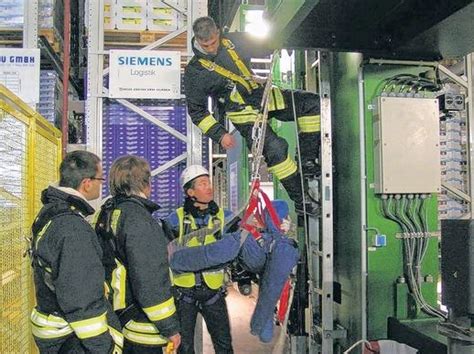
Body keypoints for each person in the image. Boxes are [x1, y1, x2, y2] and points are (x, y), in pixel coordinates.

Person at [184, 16, 320, 214]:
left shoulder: (234, 41)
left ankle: (307, 161)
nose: (211, 48)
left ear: (218, 34)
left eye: (214, 42)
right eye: (206, 45)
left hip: (262, 96)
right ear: (197, 40)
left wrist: (285, 42)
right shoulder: (194, 72)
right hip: (242, 112)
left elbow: (265, 44)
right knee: (275, 148)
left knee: (311, 104)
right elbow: (197, 111)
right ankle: (302, 201)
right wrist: (219, 134)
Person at [29, 150, 123, 353]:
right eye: (100, 179)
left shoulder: (52, 212)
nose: (102, 184)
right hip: (70, 337)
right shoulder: (73, 228)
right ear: (87, 183)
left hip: (52, 325)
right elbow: (82, 302)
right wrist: (105, 348)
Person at [94, 155, 181, 353]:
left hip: (119, 318)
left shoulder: (108, 213)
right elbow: (150, 280)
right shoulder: (140, 220)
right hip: (144, 329)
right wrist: (170, 327)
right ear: (145, 183)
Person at [165, 165, 237, 354]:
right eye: (203, 184)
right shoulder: (175, 220)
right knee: (184, 347)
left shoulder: (225, 217)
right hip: (184, 294)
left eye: (209, 182)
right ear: (190, 192)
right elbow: (163, 253)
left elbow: (242, 239)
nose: (209, 187)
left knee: (224, 345)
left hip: (213, 293)